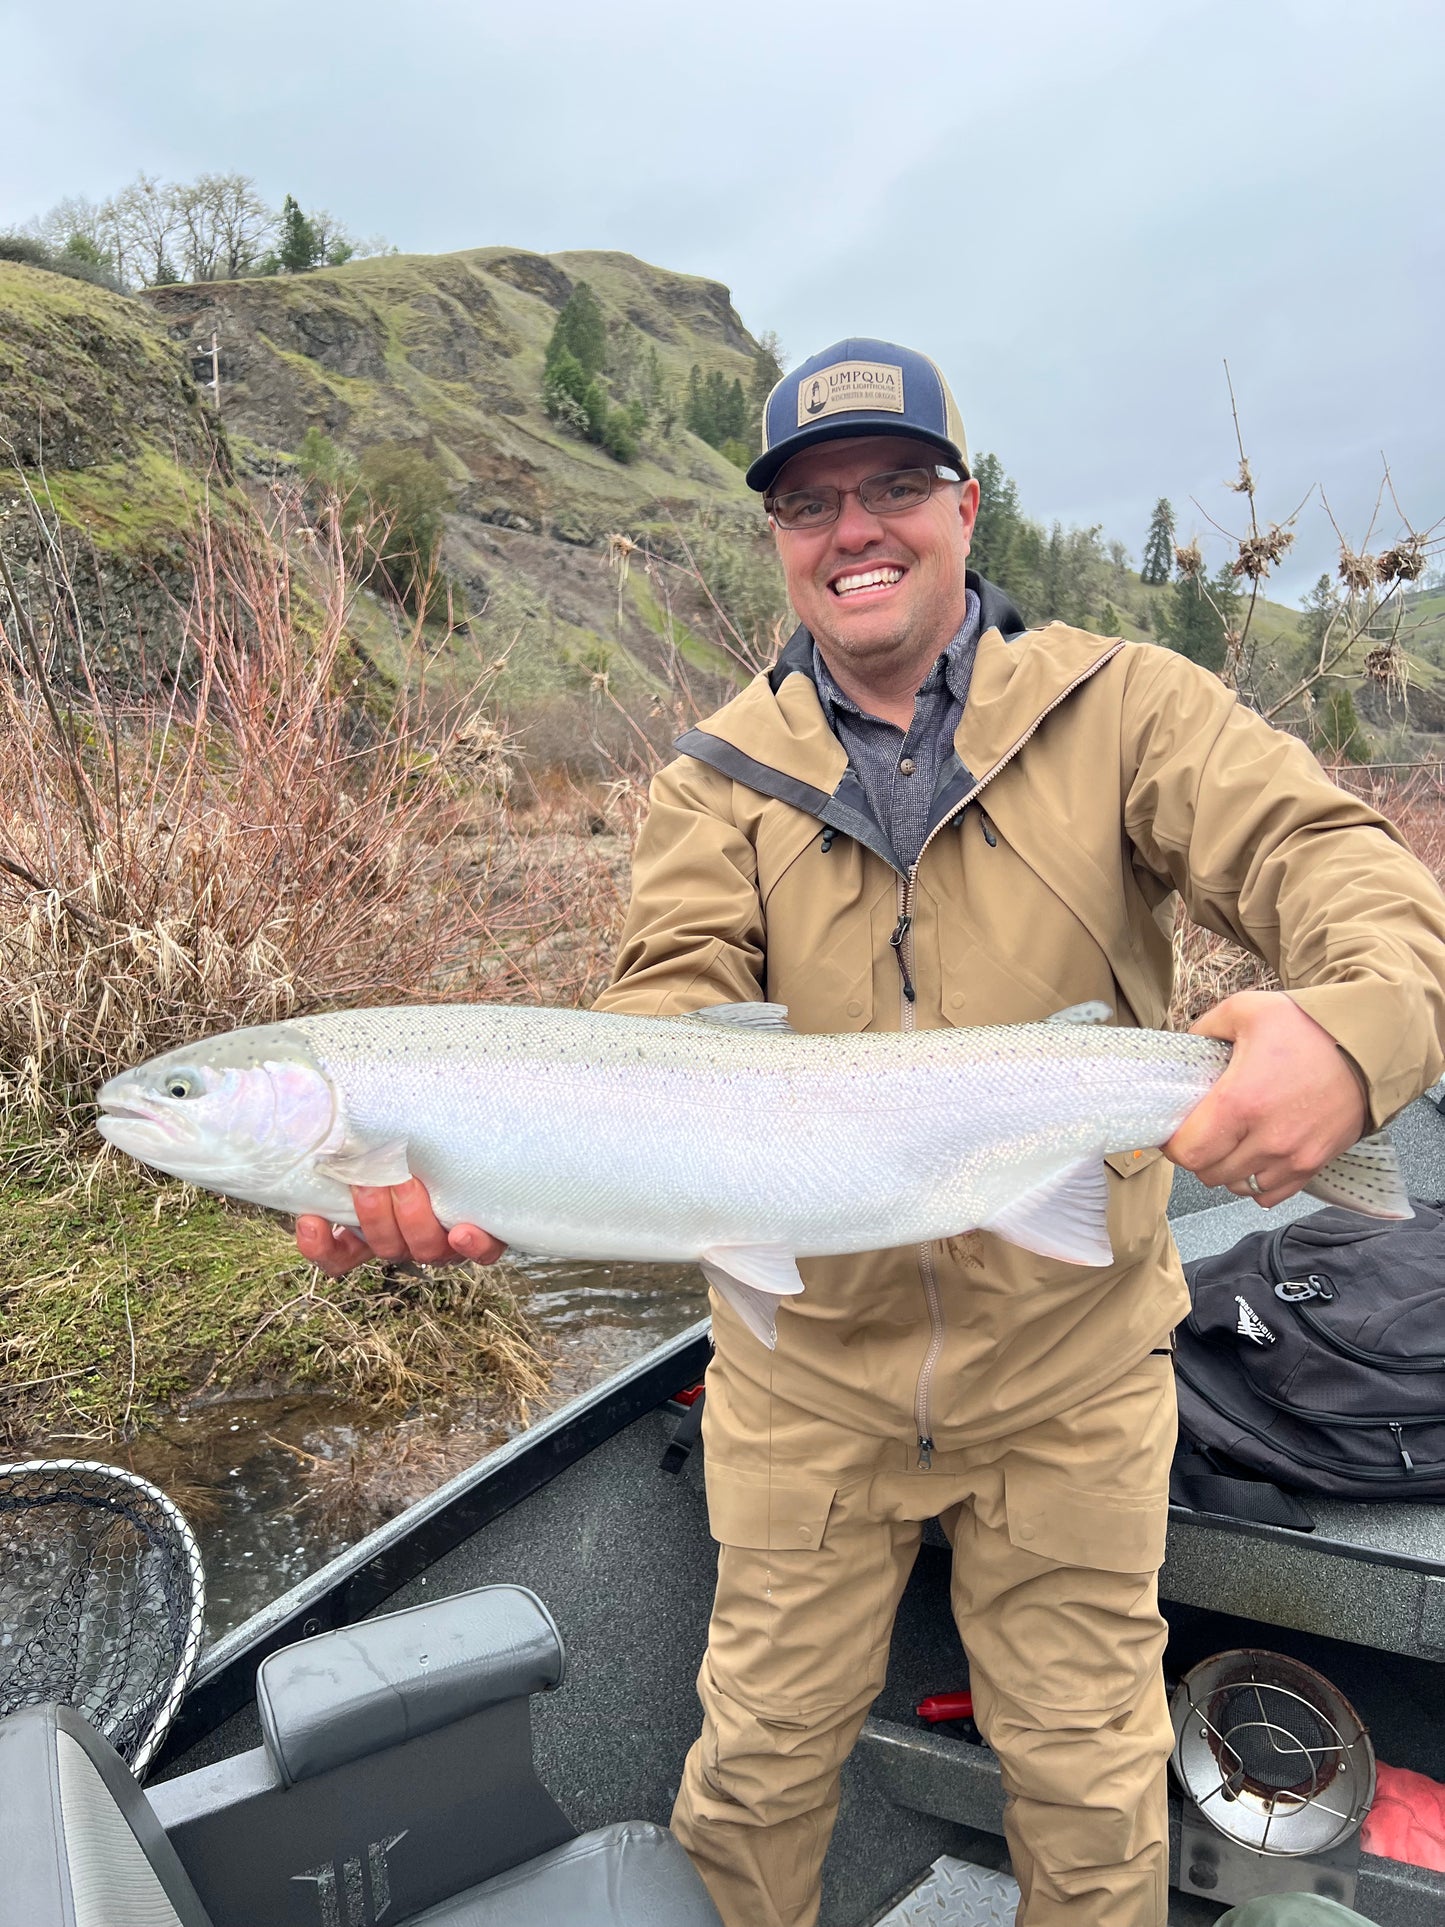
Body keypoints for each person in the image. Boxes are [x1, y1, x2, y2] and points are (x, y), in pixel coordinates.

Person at [296, 338, 1445, 1927]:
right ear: (775, 539)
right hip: (799, 1387)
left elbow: (1328, 856)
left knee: (1088, 1771)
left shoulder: (1131, 709)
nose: (855, 529)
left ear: (964, 509)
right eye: (809, 502)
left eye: (895, 487)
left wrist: (1355, 1023)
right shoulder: (711, 780)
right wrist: (514, 1154)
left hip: (1073, 1369)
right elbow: (663, 1013)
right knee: (753, 1766)